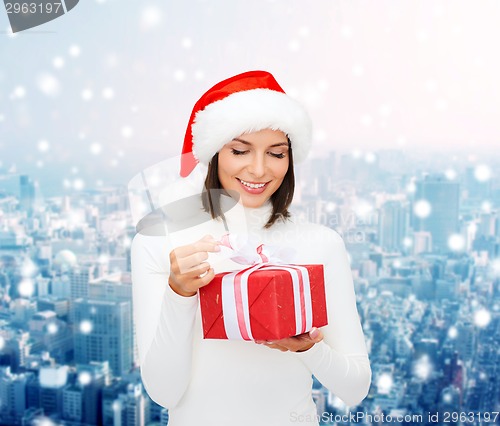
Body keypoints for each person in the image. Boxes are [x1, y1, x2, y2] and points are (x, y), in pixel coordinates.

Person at [131, 70, 371, 426]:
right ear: (213, 153)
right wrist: (179, 293)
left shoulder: (320, 245)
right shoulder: (164, 243)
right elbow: (164, 392)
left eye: (276, 153)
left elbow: (355, 387)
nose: (258, 170)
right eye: (240, 151)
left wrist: (308, 348)